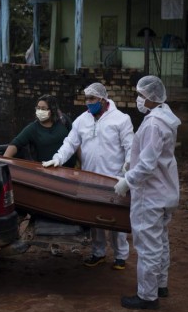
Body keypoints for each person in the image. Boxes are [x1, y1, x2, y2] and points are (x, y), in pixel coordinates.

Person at [42, 82, 133, 270]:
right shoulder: (82, 120)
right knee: (95, 218)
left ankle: (120, 255)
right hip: (90, 178)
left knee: (116, 219)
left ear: (102, 99)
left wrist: (127, 172)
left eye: (92, 99)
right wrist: (57, 158)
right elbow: (70, 143)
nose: (88, 103)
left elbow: (130, 148)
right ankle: (98, 252)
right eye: (87, 99)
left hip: (114, 178)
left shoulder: (121, 119)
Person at [114, 75, 181, 310]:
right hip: (165, 190)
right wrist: (130, 163)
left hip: (150, 194)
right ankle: (160, 285)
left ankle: (147, 296)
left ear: (152, 98)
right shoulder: (164, 117)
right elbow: (153, 156)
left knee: (147, 246)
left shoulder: (153, 124)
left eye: (141, 95)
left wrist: (127, 181)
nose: (138, 99)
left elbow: (148, 164)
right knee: (160, 241)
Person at [4, 94, 75, 256]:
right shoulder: (33, 128)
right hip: (47, 175)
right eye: (38, 108)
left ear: (52, 110)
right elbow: (15, 144)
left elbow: (76, 142)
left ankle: (68, 237)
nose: (40, 111)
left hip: (68, 174)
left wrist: (82, 165)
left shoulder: (64, 123)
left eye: (44, 108)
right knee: (47, 208)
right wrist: (4, 162)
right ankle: (50, 240)